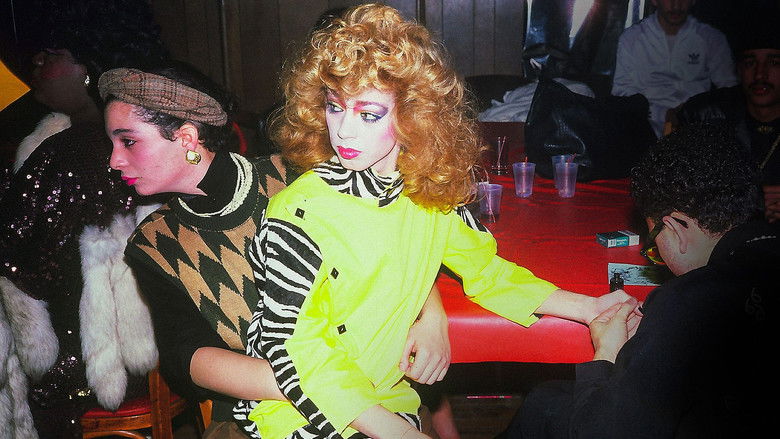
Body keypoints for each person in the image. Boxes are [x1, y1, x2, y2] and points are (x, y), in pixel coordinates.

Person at [234, 4, 634, 439]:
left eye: (368, 114)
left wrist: (589, 308)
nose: (344, 131)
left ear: (413, 116)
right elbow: (296, 349)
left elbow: (488, 273)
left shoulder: (429, 195)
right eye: (334, 107)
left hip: (386, 397)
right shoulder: (299, 213)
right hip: (304, 410)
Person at [99, 61, 451, 437]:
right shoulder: (153, 243)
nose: (114, 160)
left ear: (187, 137)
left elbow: (398, 238)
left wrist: (433, 318)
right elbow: (187, 359)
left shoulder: (299, 175)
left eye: (128, 141)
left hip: (377, 382)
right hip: (263, 413)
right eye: (114, 144)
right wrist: (330, 389)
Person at [501, 122, 775, 438]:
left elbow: (600, 433)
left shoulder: (686, 301)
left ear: (675, 228)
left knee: (546, 405)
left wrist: (607, 353)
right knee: (548, 399)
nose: (656, 254)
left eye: (654, 243)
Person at [0, 1, 168, 437]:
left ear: (91, 68)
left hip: (85, 365)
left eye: (53, 53)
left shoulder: (70, 153)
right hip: (155, 351)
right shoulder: (131, 136)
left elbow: (24, 265)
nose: (37, 62)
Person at [676, 8, 780, 223]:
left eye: (774, 62)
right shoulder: (705, 115)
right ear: (738, 70)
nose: (760, 74)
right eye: (750, 63)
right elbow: (682, 189)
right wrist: (756, 204)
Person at [611, 0, 737, 137]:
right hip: (643, 132)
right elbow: (621, 93)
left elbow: (730, 91)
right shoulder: (631, 39)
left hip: (697, 132)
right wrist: (662, 114)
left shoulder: (712, 39)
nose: (676, 5)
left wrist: (691, 112)